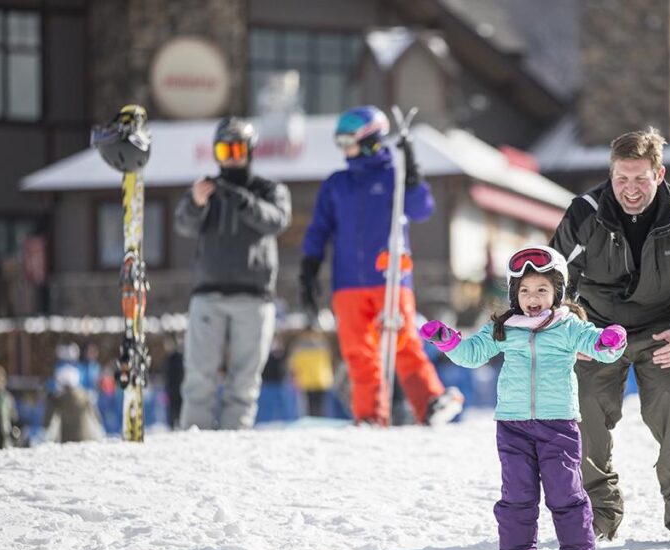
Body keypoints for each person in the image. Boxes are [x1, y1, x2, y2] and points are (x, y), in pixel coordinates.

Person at [549, 127, 670, 546]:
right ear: (611, 174)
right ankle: (594, 512)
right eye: (621, 179)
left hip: (663, 328)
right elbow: (556, 282)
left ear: (659, 175)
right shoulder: (584, 213)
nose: (630, 189)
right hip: (595, 330)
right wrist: (574, 333)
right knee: (582, 405)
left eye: (640, 179)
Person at [421, 245, 627, 550]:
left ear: (558, 292)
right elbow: (473, 354)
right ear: (515, 293)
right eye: (525, 290)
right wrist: (449, 341)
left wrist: (611, 341)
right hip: (512, 426)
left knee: (565, 493)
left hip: (558, 424)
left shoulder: (567, 326)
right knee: (516, 496)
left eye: (542, 290)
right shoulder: (505, 326)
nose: (533, 297)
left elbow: (597, 347)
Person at [299, 105, 462, 426]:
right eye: (340, 141)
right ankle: (370, 415)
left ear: (372, 139)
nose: (344, 149)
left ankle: (429, 402)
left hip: (389, 276)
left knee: (403, 342)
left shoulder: (395, 177)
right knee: (359, 353)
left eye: (349, 140)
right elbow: (319, 228)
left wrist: (412, 172)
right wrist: (309, 266)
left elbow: (421, 209)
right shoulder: (337, 184)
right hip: (347, 283)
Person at [174, 117, 291, 429]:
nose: (232, 157)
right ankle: (193, 441)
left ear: (250, 151)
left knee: (244, 382)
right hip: (208, 295)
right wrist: (197, 203)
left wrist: (243, 202)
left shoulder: (269, 190)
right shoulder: (206, 190)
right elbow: (184, 224)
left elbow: (276, 220)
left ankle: (233, 444)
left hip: (253, 299)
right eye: (225, 150)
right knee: (199, 377)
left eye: (238, 149)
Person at [43, 365, 104, 443]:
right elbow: (97, 418)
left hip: (67, 440)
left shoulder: (58, 400)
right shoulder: (85, 396)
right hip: (86, 439)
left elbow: (47, 423)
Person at [0, 365, 21, 449]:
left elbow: (13, 416)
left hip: (4, 436)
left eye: (0, 379)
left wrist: (15, 429)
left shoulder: (7, 397)